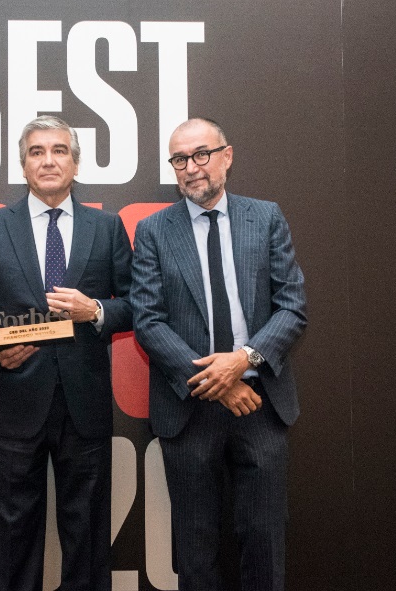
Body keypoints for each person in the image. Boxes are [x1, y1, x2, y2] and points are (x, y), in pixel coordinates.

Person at [0, 115, 132, 591]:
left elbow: (138, 305)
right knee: (13, 542)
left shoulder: (107, 227)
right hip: (15, 404)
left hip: (85, 406)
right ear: (23, 164)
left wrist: (95, 310)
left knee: (88, 540)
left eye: (59, 150)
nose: (48, 160)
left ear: (76, 163)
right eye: (37, 152)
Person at [131, 117, 307, 591]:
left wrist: (243, 360)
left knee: (264, 543)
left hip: (260, 403)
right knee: (195, 550)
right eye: (180, 159)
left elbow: (292, 306)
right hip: (190, 407)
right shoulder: (153, 231)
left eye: (201, 154)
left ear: (227, 156)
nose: (191, 168)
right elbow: (148, 321)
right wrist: (218, 381)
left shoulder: (265, 217)